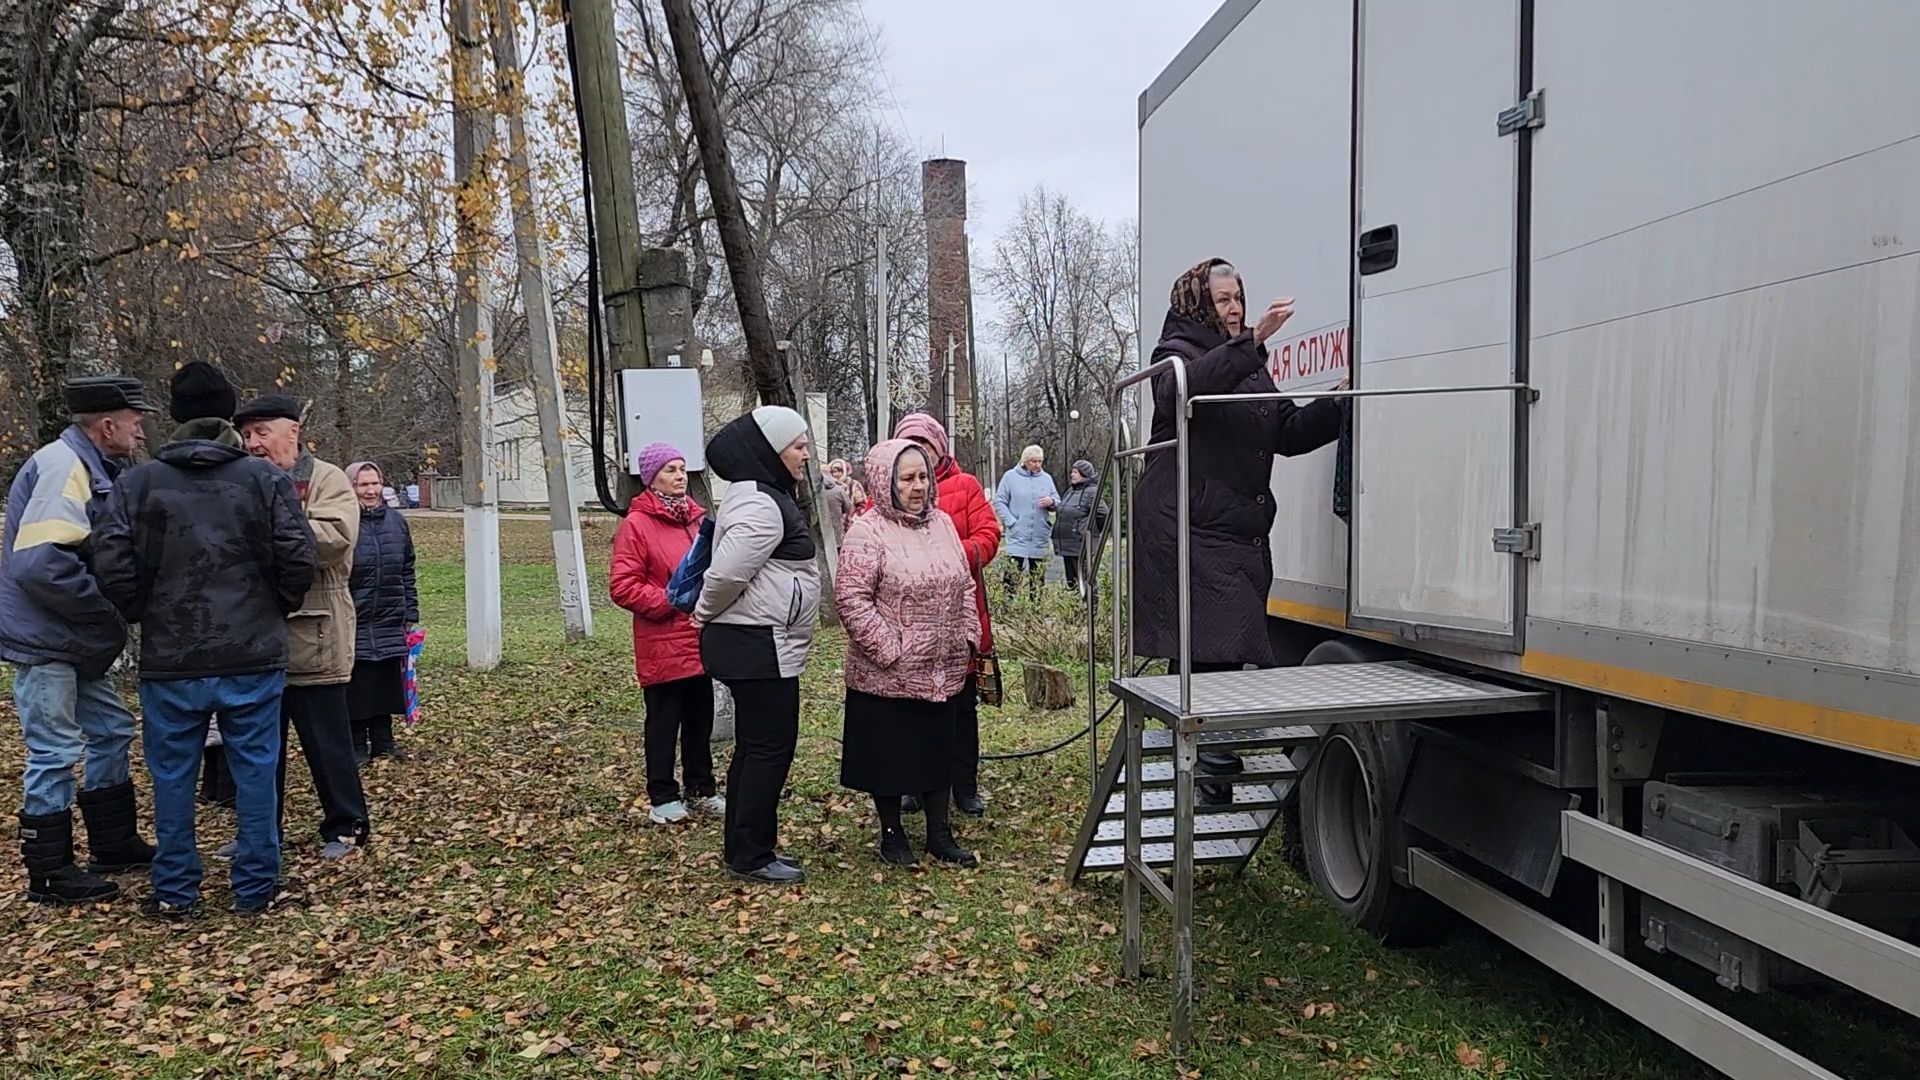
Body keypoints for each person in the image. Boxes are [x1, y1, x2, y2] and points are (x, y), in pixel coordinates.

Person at [92, 361, 316, 918]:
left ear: (173, 414)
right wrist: (273, 608)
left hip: (172, 656)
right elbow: (298, 556)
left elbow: (112, 560)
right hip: (251, 652)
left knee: (171, 777)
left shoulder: (138, 482)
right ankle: (256, 887)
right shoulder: (264, 480)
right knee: (256, 772)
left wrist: (144, 610)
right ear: (230, 416)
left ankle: (174, 890)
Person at [1133, 259, 1344, 801]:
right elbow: (1177, 394)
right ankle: (1207, 756)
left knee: (1214, 641)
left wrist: (1336, 404)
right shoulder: (1175, 354)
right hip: (1187, 523)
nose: (1234, 308)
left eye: (1239, 298)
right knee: (1209, 636)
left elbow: (1287, 431)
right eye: (1223, 299)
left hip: (1234, 525)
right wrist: (1250, 342)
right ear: (1199, 303)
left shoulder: (1250, 365)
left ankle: (1206, 755)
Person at [2, 376, 158, 904]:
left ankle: (113, 843)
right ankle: (50, 873)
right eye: (135, 419)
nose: (141, 429)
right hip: (50, 640)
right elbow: (41, 564)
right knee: (54, 749)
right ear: (107, 425)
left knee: (112, 730)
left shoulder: (89, 467)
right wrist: (103, 613)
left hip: (69, 639)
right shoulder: (63, 466)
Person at [835, 439, 981, 868]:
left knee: (939, 748)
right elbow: (851, 599)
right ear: (886, 481)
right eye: (907, 479)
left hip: (943, 665)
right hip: (888, 672)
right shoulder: (867, 530)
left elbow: (966, 583)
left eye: (923, 477)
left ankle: (940, 834)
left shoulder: (943, 525)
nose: (918, 487)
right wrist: (891, 649)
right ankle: (892, 834)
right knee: (891, 755)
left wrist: (967, 632)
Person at [235, 395, 370, 859]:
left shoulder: (326, 478)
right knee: (257, 750)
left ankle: (346, 825)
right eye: (246, 435)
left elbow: (334, 540)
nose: (253, 444)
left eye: (262, 432)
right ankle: (258, 832)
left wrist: (264, 529)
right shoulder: (239, 479)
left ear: (292, 431)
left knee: (327, 742)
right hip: (255, 637)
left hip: (315, 632)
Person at [693, 407, 819, 886]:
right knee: (768, 749)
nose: (805, 455)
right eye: (798, 446)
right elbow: (726, 573)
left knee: (755, 748)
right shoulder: (761, 505)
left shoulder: (762, 495)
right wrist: (703, 611)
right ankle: (751, 854)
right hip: (759, 643)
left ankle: (746, 845)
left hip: (762, 640)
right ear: (769, 450)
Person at [893, 412, 1000, 818]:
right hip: (909, 620)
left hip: (960, 614)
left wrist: (952, 558)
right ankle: (912, 784)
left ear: (939, 448)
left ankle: (964, 785)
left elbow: (988, 535)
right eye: (911, 444)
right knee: (910, 709)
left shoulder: (965, 486)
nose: (920, 454)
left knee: (961, 706)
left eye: (926, 444)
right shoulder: (889, 488)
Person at [610, 442, 720, 825]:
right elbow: (622, 586)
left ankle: (702, 788)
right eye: (670, 470)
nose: (679, 477)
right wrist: (672, 600)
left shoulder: (697, 520)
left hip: (699, 638)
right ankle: (663, 795)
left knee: (699, 720)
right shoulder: (637, 525)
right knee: (663, 722)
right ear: (650, 477)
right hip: (662, 642)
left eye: (682, 469)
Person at [344, 462, 419, 765]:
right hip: (354, 618)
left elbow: (407, 569)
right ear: (351, 487)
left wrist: (410, 611)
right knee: (358, 684)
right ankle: (356, 745)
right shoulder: (344, 522)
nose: (371, 490)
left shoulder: (397, 522)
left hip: (390, 615)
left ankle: (384, 742)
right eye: (363, 485)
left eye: (375, 483)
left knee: (386, 682)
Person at [993, 445, 1058, 598]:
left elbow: (1057, 501)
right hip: (1018, 533)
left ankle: (1035, 608)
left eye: (1040, 461)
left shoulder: (1046, 479)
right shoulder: (1010, 477)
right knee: (1013, 573)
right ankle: (1008, 606)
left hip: (1039, 534)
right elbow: (1000, 501)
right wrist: (1011, 522)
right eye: (1034, 461)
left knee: (1037, 577)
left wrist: (1052, 501)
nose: (1038, 465)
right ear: (1025, 461)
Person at [1052, 459, 1108, 597]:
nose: (1072, 474)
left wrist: (1089, 531)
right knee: (1072, 583)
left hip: (1081, 545)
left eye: (1075, 472)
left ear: (1084, 474)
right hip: (1068, 545)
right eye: (1072, 471)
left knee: (1085, 581)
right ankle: (1075, 614)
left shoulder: (1092, 492)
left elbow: (1103, 514)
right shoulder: (1071, 491)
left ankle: (1090, 611)